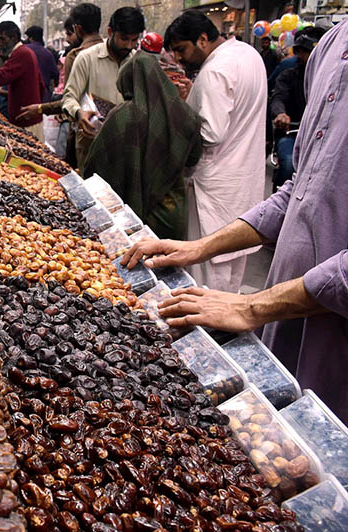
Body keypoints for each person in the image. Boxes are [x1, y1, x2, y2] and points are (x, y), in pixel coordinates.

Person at [121, 18, 348, 423]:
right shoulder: (331, 45)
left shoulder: (221, 68)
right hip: (284, 320)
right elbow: (303, 189)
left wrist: (253, 306)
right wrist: (197, 248)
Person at [158, 11, 266, 292]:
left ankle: (209, 334)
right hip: (242, 180)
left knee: (206, 273)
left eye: (181, 49)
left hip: (214, 186)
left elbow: (209, 133)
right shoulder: (247, 54)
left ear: (203, 39)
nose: (179, 59)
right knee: (232, 269)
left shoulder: (215, 70)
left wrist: (178, 115)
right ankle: (224, 331)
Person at [84, 52, 202, 240]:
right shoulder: (186, 114)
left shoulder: (122, 115)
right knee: (170, 264)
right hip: (170, 212)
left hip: (128, 213)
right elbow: (193, 158)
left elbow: (97, 165)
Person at [62, 6, 145, 170]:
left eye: (134, 40)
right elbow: (69, 97)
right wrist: (79, 113)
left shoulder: (138, 62)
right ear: (110, 31)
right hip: (92, 146)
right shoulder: (86, 58)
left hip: (126, 148)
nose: (129, 45)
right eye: (124, 38)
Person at [269, 28, 325, 189]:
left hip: (322, 139)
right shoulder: (288, 76)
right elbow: (278, 98)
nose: (301, 56)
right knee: (288, 164)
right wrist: (281, 114)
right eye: (300, 51)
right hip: (292, 134)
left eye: (307, 51)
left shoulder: (333, 81)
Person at [25, 25, 60, 102]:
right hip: (43, 97)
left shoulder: (23, 50)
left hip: (25, 95)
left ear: (31, 37)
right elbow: (55, 74)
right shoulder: (48, 53)